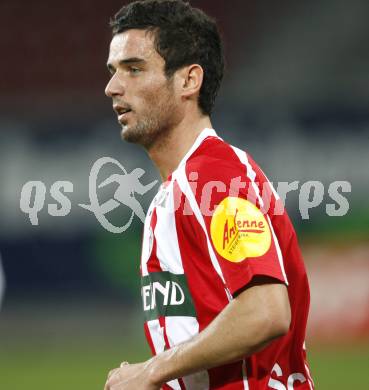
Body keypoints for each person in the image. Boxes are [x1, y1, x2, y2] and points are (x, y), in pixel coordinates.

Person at [104, 1, 314, 389]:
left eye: (134, 69)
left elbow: (265, 311)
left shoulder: (213, 177)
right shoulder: (174, 194)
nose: (113, 87)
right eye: (114, 72)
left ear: (188, 81)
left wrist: (151, 371)